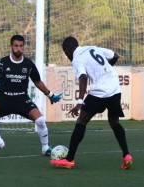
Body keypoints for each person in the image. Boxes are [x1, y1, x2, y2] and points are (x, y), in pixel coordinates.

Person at [50, 36, 132, 169]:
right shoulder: (93, 48)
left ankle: (69, 159)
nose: (67, 56)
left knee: (81, 121)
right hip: (115, 86)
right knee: (114, 122)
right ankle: (126, 155)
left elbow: (83, 78)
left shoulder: (77, 59)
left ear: (68, 49)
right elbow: (115, 55)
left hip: (100, 90)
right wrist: (103, 71)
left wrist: (79, 102)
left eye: (66, 53)